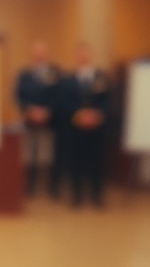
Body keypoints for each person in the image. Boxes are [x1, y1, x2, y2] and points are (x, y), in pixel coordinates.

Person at [58, 42, 112, 209]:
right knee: (76, 162)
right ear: (75, 57)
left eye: (85, 53)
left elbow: (108, 100)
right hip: (75, 128)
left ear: (90, 55)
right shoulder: (68, 80)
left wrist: (96, 115)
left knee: (97, 162)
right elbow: (64, 102)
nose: (83, 56)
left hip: (97, 128)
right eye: (79, 54)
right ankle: (77, 196)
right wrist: (79, 115)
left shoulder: (101, 77)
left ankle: (97, 196)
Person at [15, 40, 61, 197]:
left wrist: (47, 111)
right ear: (32, 55)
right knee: (30, 153)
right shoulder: (24, 75)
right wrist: (30, 110)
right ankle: (30, 186)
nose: (39, 55)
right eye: (36, 53)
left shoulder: (55, 72)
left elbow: (60, 95)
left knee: (53, 152)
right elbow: (18, 96)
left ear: (46, 54)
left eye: (42, 53)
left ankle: (54, 187)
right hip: (30, 119)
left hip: (52, 119)